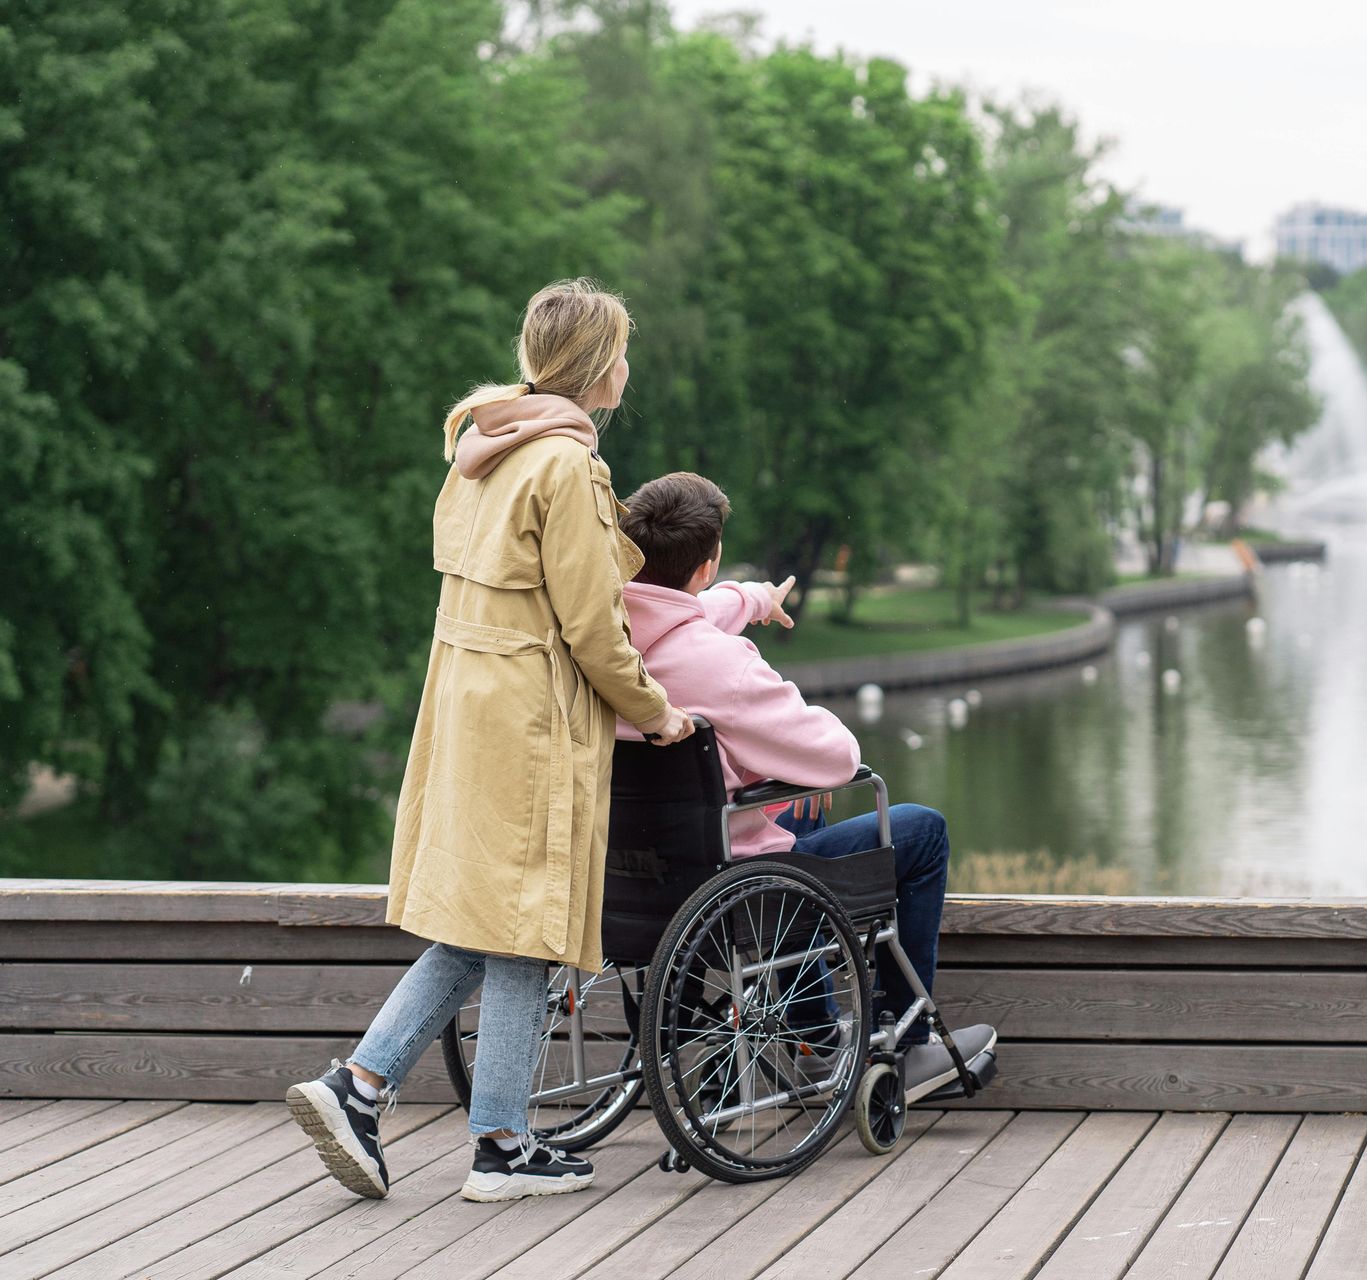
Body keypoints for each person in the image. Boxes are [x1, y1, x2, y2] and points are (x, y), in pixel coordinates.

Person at [286, 280, 695, 1204]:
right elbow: (594, 627)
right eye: (622, 351)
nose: (628, 367)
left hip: (470, 708)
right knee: (523, 926)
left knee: (494, 922)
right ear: (598, 366)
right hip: (533, 720)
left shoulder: (478, 455)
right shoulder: (566, 467)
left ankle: (370, 1090)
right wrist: (658, 709)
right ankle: (491, 1144)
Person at [613, 471, 995, 1100]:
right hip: (734, 891)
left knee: (801, 819)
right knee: (922, 829)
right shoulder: (722, 665)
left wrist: (753, 599)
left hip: (634, 882)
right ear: (706, 564)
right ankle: (906, 1045)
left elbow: (683, 609)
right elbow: (838, 757)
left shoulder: (598, 641)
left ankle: (814, 1035)